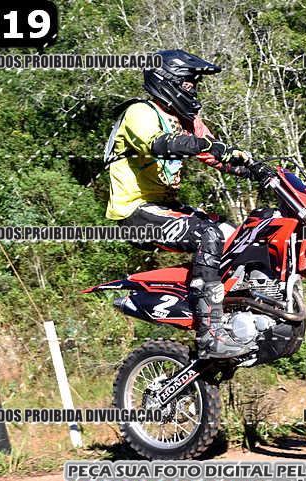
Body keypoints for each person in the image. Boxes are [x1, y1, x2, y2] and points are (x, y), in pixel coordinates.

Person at [104, 49, 252, 359]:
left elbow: (214, 153)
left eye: (194, 84)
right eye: (188, 83)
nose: (193, 89)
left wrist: (250, 167)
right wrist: (201, 144)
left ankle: (234, 313)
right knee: (207, 235)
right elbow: (159, 143)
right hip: (135, 212)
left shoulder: (184, 118)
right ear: (168, 81)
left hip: (164, 208)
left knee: (233, 234)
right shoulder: (139, 112)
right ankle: (209, 334)